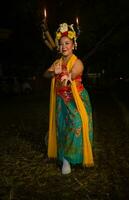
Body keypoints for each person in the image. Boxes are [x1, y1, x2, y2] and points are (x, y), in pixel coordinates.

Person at [44, 23, 94, 174]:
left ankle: (73, 156)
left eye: (67, 43)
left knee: (78, 123)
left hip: (76, 98)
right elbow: (45, 74)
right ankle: (65, 157)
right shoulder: (57, 62)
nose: (64, 46)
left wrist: (68, 76)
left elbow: (77, 70)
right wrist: (54, 73)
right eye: (61, 44)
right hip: (61, 100)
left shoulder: (77, 61)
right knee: (62, 127)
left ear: (73, 45)